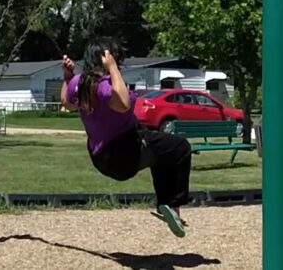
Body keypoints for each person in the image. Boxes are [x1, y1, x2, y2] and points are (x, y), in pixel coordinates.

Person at [60, 38, 193, 237]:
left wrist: (67, 76)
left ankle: (169, 207)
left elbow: (66, 103)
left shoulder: (78, 83)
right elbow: (122, 103)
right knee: (181, 147)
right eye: (116, 59)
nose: (120, 62)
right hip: (123, 154)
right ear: (106, 58)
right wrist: (113, 69)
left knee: (163, 151)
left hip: (101, 159)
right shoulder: (105, 85)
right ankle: (172, 204)